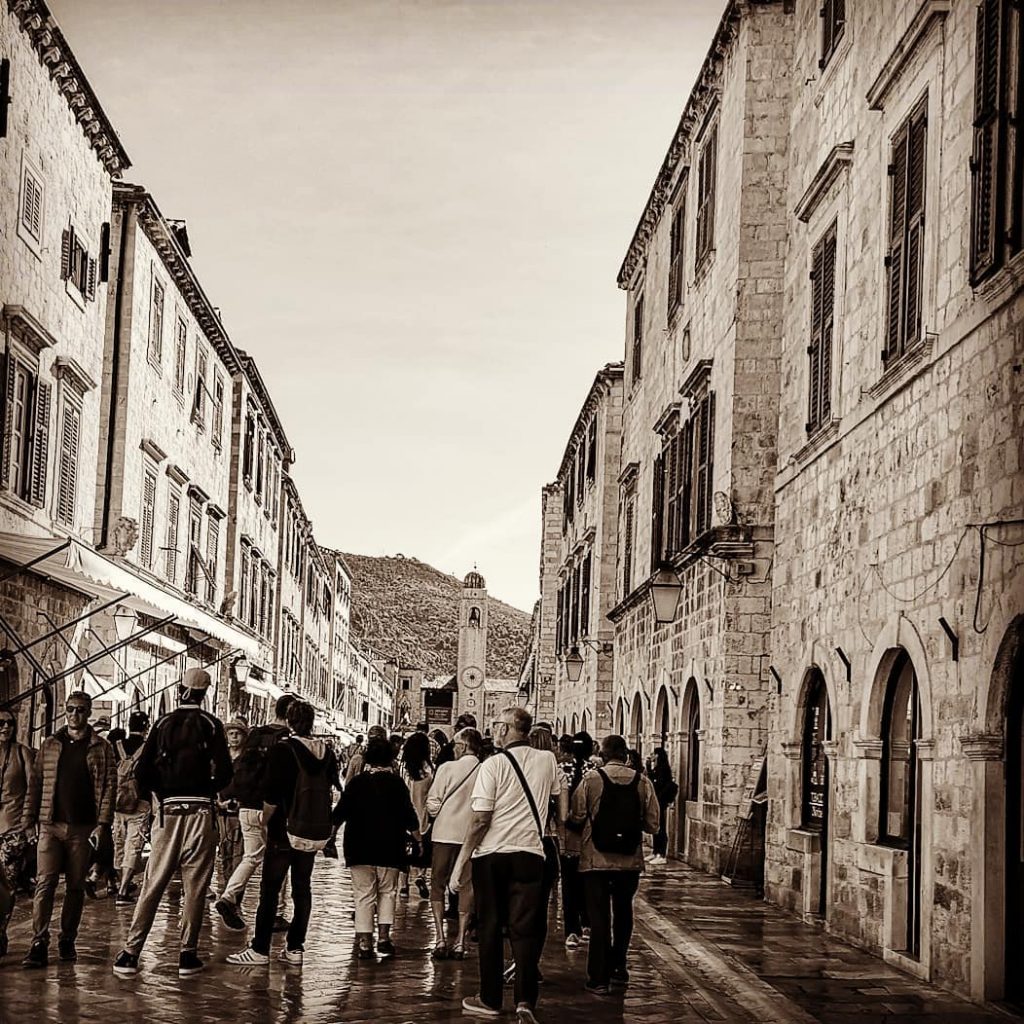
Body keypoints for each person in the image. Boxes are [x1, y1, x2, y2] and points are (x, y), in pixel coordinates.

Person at [112, 667, 232, 978]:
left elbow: (142, 772)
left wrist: (162, 794)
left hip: (167, 811)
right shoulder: (212, 725)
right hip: (202, 812)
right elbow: (226, 773)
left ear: (181, 689)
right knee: (196, 885)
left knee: (153, 883)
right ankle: (187, 955)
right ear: (205, 693)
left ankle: (130, 952)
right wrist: (207, 789)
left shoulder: (163, 723)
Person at [451, 706, 565, 1024]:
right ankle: (525, 1000)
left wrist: (462, 861)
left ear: (504, 729)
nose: (493, 731)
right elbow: (559, 804)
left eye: (496, 725)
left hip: (492, 856)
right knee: (525, 929)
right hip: (531, 854)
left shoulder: (494, 765)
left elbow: (479, 820)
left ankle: (489, 999)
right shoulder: (548, 761)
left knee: (489, 926)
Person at [227, 700, 340, 967]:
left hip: (282, 829)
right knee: (302, 888)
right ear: (312, 723)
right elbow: (333, 786)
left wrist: (264, 821)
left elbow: (272, 794)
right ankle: (295, 948)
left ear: (289, 721)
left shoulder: (283, 750)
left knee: (270, 889)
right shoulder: (327, 752)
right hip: (309, 830)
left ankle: (260, 949)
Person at [21, 691, 116, 968]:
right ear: (65, 711)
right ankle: (38, 941)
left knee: (75, 886)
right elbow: (35, 784)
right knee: (45, 882)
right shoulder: (51, 744)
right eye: (71, 709)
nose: (75, 715)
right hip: (50, 825)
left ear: (88, 713)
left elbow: (109, 786)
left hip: (83, 828)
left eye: (81, 710)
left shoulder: (101, 747)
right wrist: (29, 822)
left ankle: (67, 939)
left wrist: (103, 825)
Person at [570, 734, 659, 995]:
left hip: (596, 860)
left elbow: (576, 815)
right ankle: (619, 967)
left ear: (604, 754)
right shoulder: (643, 782)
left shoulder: (591, 779)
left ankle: (598, 977)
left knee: (598, 916)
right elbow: (654, 825)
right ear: (626, 755)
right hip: (629, 861)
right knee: (623, 912)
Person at [213, 693, 296, 932]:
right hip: (272, 808)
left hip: (246, 806)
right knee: (278, 861)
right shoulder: (287, 740)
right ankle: (275, 912)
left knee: (251, 857)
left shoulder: (256, 734)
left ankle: (228, 897)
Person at [334, 735, 419, 959]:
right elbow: (409, 815)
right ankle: (384, 938)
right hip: (390, 847)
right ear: (391, 759)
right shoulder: (397, 784)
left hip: (359, 846)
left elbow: (339, 813)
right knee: (388, 893)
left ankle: (364, 943)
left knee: (363, 895)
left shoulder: (357, 783)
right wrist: (419, 839)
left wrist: (330, 837)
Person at [425, 726, 481, 959]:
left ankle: (439, 938)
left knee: (437, 885)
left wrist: (441, 811)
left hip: (444, 834)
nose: (454, 749)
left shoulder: (447, 768)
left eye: (456, 744)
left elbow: (433, 804)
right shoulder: (486, 769)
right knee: (468, 886)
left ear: (464, 745)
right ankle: (460, 942)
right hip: (472, 836)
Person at [0, 708, 34, 959]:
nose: (5, 728)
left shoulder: (22, 753)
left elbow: (33, 789)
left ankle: (0, 930)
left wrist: (30, 823)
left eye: (10, 723)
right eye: (1, 723)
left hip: (12, 830)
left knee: (6, 885)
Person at [559, 732, 595, 949]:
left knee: (569, 885)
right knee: (589, 883)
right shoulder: (594, 772)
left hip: (568, 837)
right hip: (590, 839)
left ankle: (572, 931)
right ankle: (588, 923)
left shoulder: (563, 769)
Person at [112, 710, 152, 905]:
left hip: (117, 803)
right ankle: (123, 890)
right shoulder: (147, 749)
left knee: (118, 844)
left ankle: (122, 882)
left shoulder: (117, 746)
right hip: (140, 802)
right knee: (133, 846)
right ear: (145, 727)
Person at [214, 717, 249, 895]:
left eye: (238, 734)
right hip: (222, 812)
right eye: (231, 734)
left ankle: (234, 892)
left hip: (241, 812)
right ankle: (226, 886)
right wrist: (219, 802)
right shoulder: (222, 758)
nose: (234, 737)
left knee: (240, 855)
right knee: (224, 852)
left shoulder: (247, 759)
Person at [399, 730, 432, 900]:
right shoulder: (429, 770)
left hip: (405, 816)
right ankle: (420, 876)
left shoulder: (403, 769)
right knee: (422, 851)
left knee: (405, 851)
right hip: (423, 816)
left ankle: (403, 886)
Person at [645, 748, 678, 863]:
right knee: (656, 826)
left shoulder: (663, 769)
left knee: (661, 827)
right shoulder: (657, 768)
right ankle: (655, 851)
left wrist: (658, 797)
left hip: (661, 801)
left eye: (653, 753)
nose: (651, 755)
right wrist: (648, 767)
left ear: (658, 755)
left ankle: (662, 854)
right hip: (657, 800)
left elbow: (660, 785)